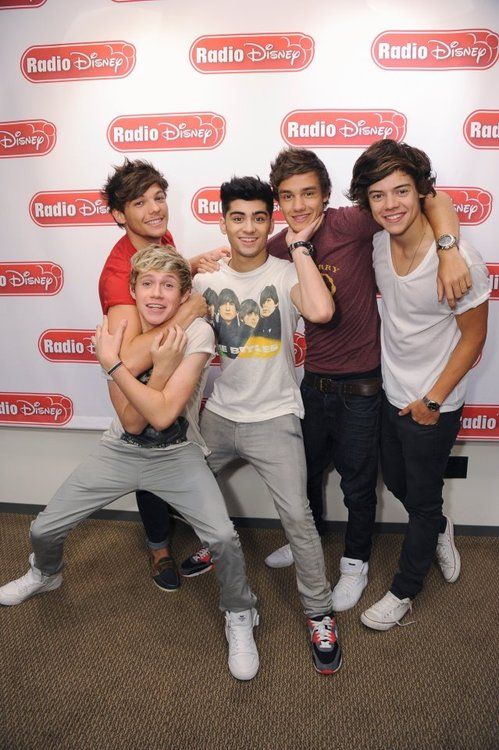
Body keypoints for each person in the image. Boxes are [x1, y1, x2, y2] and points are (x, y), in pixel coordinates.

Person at [0, 245, 259, 681]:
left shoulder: (198, 333)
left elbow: (161, 417)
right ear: (134, 291)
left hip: (177, 454)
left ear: (182, 295)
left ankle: (240, 612)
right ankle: (46, 573)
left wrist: (114, 365)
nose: (157, 295)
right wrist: (146, 365)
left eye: (169, 286)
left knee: (224, 539)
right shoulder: (115, 333)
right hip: (120, 450)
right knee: (42, 528)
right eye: (148, 284)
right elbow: (132, 423)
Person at [263, 147, 471, 614]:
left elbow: (431, 199)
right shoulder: (280, 244)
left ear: (326, 195)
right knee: (305, 476)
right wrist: (196, 262)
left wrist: (449, 247)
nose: (298, 206)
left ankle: (354, 565)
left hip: (363, 386)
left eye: (308, 194)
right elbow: (242, 252)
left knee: (358, 485)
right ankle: (307, 546)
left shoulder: (352, 224)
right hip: (313, 383)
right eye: (288, 197)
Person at [182, 175, 342, 675]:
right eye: (237, 217)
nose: (248, 228)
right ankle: (215, 547)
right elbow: (152, 297)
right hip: (220, 415)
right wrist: (188, 266)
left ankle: (318, 612)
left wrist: (298, 247)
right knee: (185, 487)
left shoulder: (285, 271)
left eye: (258, 217)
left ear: (270, 221)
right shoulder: (206, 281)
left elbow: (319, 309)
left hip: (275, 417)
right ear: (223, 221)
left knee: (297, 515)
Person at [345, 139, 489, 629]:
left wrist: (432, 400)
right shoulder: (377, 243)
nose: (391, 204)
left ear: (421, 191)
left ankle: (405, 590)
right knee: (401, 482)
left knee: (423, 502)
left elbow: (473, 340)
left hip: (434, 401)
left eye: (402, 191)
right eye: (379, 195)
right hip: (391, 390)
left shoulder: (459, 260)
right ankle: (441, 529)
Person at [99, 159, 224, 589]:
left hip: (168, 361)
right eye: (140, 202)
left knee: (172, 442)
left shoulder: (158, 238)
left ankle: (173, 521)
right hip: (139, 375)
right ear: (119, 215)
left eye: (159, 197)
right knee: (145, 449)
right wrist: (190, 308)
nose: (155, 209)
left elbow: (157, 279)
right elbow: (127, 359)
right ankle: (159, 550)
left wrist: (189, 263)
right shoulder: (117, 276)